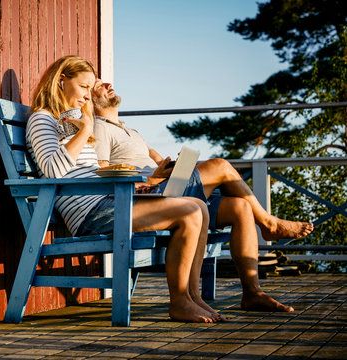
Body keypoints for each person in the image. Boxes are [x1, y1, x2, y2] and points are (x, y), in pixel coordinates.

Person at [25, 55, 224, 323]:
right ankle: (179, 302)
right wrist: (84, 132)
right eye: (84, 87)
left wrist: (145, 184)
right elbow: (52, 170)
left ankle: (192, 297)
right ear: (61, 81)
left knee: (199, 206)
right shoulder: (42, 118)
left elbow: (90, 171)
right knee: (189, 211)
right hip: (89, 213)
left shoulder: (71, 121)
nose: (87, 96)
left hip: (109, 199)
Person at [92, 78, 315, 312]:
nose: (107, 84)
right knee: (220, 165)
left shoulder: (132, 131)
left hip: (167, 186)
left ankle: (252, 293)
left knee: (241, 208)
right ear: (91, 99)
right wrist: (151, 180)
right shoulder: (100, 128)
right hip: (150, 197)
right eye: (98, 85)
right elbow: (105, 175)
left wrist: (177, 167)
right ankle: (269, 223)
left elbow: (160, 163)